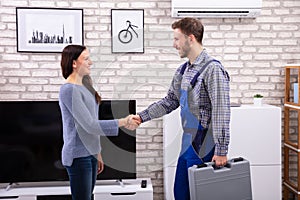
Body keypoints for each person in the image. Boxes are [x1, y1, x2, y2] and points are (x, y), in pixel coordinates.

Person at [133, 17, 231, 200]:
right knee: (181, 193)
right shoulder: (183, 70)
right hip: (187, 143)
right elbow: (170, 101)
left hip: (205, 145)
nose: (174, 44)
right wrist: (141, 117)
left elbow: (221, 111)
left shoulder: (213, 70)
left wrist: (222, 150)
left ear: (191, 38)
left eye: (177, 39)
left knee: (201, 195)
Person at [59, 44, 139, 200]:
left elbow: (93, 123)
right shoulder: (68, 90)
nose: (91, 62)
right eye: (86, 59)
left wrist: (97, 152)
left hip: (90, 154)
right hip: (78, 156)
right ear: (74, 63)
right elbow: (90, 125)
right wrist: (124, 121)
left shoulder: (85, 86)